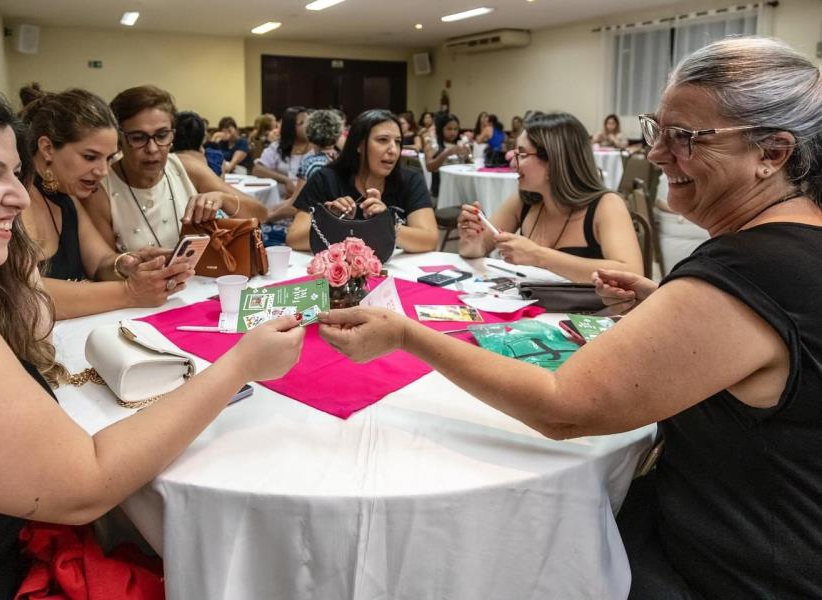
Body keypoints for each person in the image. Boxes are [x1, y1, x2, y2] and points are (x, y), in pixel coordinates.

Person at [318, 37, 822, 599]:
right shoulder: (794, 250)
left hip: (734, 570)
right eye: (657, 132)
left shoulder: (750, 269)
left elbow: (562, 406)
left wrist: (408, 334)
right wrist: (670, 307)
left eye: (684, 138)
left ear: (772, 154)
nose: (656, 156)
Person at [0, 74, 305, 599]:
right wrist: (239, 366)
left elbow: (49, 294)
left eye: (16, 172)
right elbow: (86, 486)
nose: (17, 194)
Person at [21, 88, 194, 318]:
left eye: (109, 158)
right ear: (47, 148)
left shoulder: (68, 197)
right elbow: (26, 292)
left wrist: (129, 263)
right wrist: (130, 292)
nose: (103, 171)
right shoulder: (16, 201)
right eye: (90, 157)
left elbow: (100, 261)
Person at [458, 111, 643, 282]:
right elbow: (478, 250)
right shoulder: (524, 200)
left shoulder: (606, 205)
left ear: (554, 160)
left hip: (587, 315)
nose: (512, 162)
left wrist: (538, 255)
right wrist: (472, 241)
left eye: (521, 153)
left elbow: (631, 275)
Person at [82, 85, 231, 252]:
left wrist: (223, 198)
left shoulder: (185, 167)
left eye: (161, 135)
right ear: (119, 140)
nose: (152, 149)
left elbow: (260, 213)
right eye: (138, 138)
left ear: (173, 134)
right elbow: (103, 266)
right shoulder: (101, 191)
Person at [286, 109, 438, 254]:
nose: (393, 150)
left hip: (393, 272)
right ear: (358, 145)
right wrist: (331, 222)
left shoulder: (409, 181)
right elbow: (294, 239)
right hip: (335, 274)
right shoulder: (326, 179)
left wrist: (385, 225)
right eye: (383, 140)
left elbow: (429, 240)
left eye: (397, 142)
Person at [262, 109, 343, 245]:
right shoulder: (338, 158)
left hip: (307, 228)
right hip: (333, 225)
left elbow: (295, 205)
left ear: (309, 132)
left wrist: (267, 216)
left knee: (260, 232)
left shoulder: (311, 163)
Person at [171, 110, 267, 221]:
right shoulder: (212, 156)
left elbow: (260, 212)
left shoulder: (180, 161)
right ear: (203, 136)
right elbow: (259, 213)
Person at [252, 106, 309, 197]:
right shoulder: (277, 147)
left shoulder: (316, 147)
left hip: (305, 200)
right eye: (302, 123)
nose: (307, 126)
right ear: (290, 127)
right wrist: (285, 180)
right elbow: (257, 170)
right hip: (280, 198)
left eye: (308, 122)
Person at [424, 112, 471, 197]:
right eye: (449, 129)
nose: (453, 132)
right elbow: (429, 167)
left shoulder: (461, 143)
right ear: (441, 129)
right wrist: (446, 153)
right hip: (440, 191)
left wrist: (468, 155)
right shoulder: (433, 143)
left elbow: (470, 165)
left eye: (456, 129)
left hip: (460, 189)